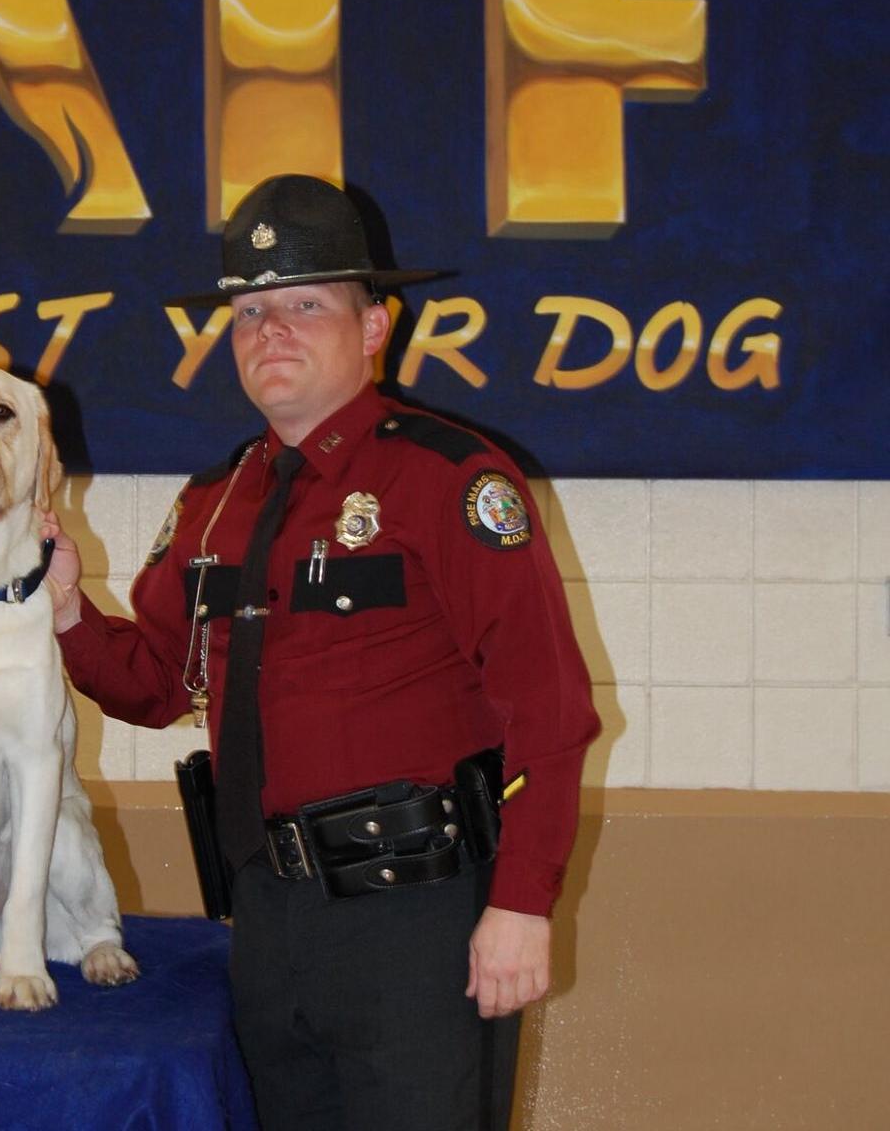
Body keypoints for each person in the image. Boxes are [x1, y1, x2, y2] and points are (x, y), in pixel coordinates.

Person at [42, 174, 599, 1131]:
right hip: (266, 917)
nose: (273, 332)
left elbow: (545, 709)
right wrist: (64, 612)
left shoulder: (449, 479)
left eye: (306, 304)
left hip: (420, 919)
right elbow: (153, 684)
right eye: (250, 311)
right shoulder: (214, 502)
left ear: (376, 327)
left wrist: (521, 905)